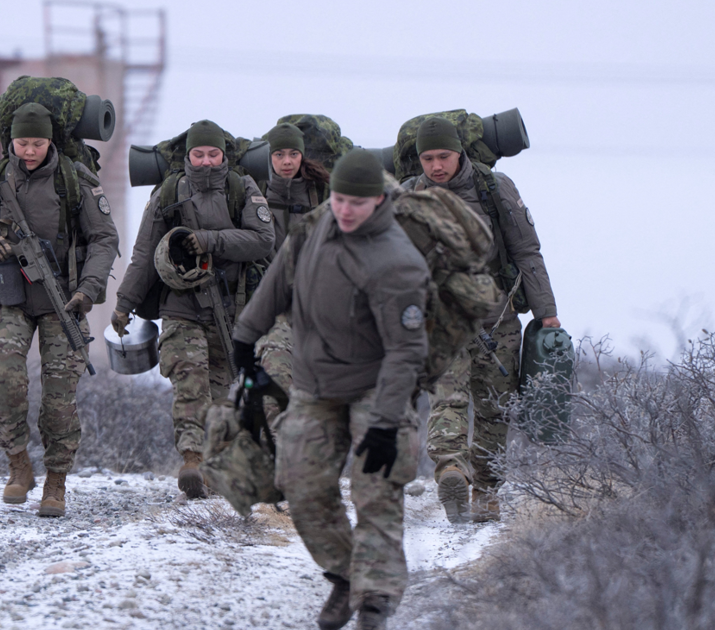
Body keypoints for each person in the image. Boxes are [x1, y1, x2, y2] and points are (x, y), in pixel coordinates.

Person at [233, 149, 430, 630]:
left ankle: (376, 601)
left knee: (376, 491)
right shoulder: (320, 222)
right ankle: (345, 576)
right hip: (315, 384)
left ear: (379, 201)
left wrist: (385, 424)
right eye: (339, 199)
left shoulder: (397, 264)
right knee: (299, 484)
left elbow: (406, 353)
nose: (343, 210)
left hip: (375, 389)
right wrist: (244, 336)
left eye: (355, 204)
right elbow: (279, 277)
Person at [0, 102, 119, 518]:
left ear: (51, 141)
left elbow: (104, 239)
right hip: (11, 296)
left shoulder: (75, 179)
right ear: (10, 141)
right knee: (3, 378)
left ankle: (56, 483)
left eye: (38, 143)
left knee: (59, 401)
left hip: (64, 299)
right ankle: (18, 464)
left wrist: (89, 289)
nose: (30, 151)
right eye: (23, 143)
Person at [405, 116, 561, 523]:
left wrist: (547, 312)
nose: (436, 166)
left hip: (497, 315)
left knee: (495, 406)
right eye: (428, 158)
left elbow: (526, 250)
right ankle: (452, 471)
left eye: (444, 156)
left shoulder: (494, 188)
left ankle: (487, 488)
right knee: (448, 399)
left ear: (460, 152)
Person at [112, 119, 274, 499]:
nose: (205, 161)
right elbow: (143, 253)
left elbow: (263, 241)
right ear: (187, 156)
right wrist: (124, 305)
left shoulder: (242, 187)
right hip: (180, 305)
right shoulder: (168, 192)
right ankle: (191, 459)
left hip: (230, 309)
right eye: (198, 154)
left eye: (212, 154)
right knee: (189, 378)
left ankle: (214, 467)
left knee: (219, 391)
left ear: (223, 155)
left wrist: (208, 240)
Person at [252, 122, 333, 421]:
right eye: (279, 154)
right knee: (276, 376)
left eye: (293, 154)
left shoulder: (323, 190)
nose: (287, 162)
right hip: (269, 305)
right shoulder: (254, 188)